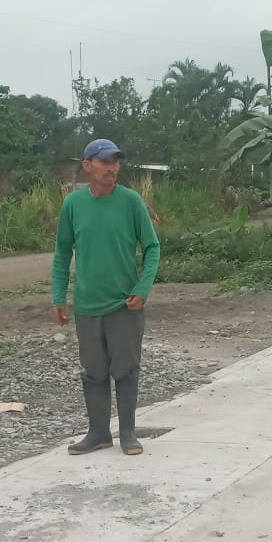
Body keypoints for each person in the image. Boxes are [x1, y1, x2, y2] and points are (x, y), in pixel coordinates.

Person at [51, 139, 161, 456]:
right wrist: (58, 296)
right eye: (105, 161)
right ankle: (98, 433)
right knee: (93, 371)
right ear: (88, 165)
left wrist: (142, 288)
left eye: (116, 161)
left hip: (124, 305)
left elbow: (152, 247)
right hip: (87, 305)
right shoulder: (73, 204)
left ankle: (127, 433)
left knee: (126, 370)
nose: (112, 167)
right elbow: (62, 253)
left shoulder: (131, 201)